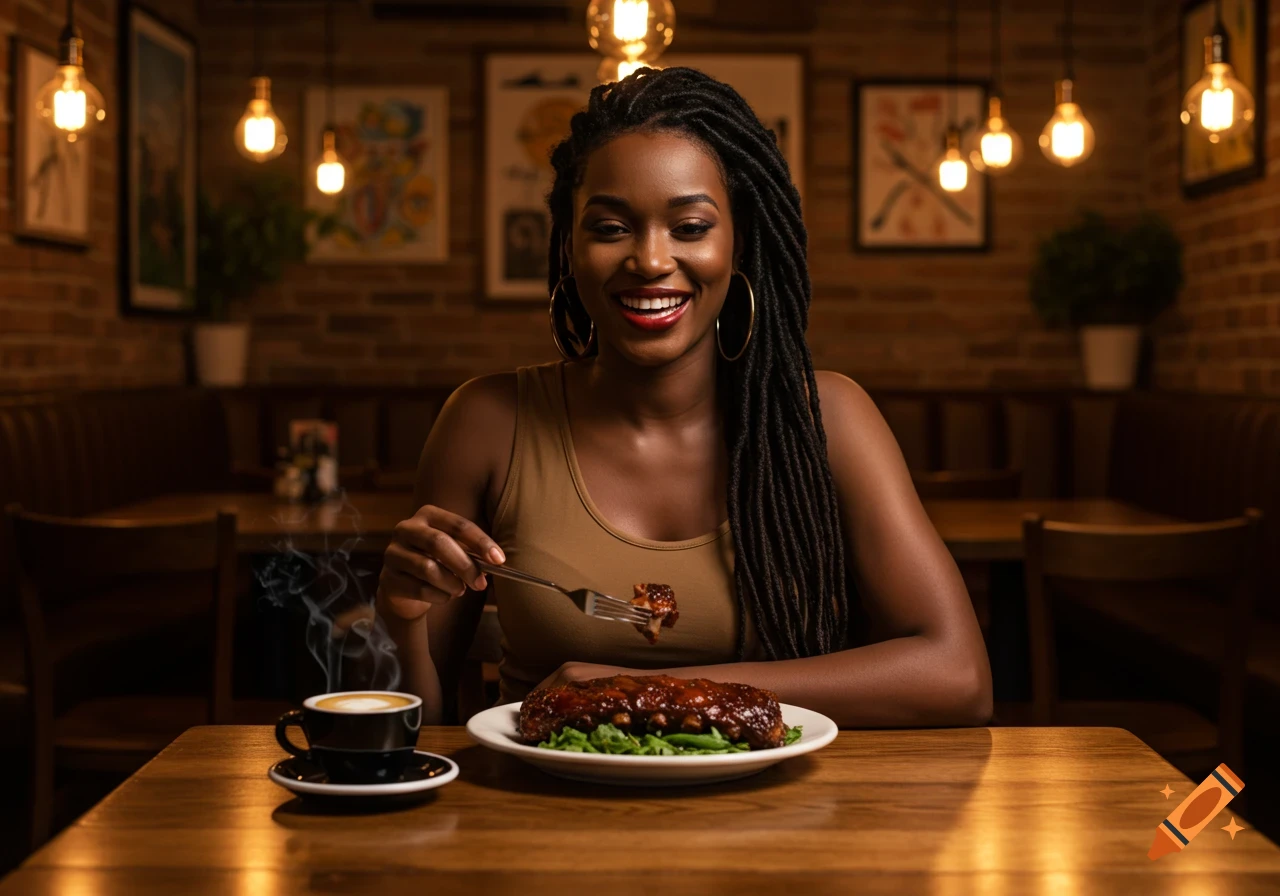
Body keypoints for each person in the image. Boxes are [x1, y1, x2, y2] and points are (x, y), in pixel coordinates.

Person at [377, 68, 991, 728]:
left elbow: (957, 677)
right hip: (543, 815)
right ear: (568, 248)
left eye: (690, 227)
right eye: (610, 227)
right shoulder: (488, 422)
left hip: (786, 820)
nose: (649, 259)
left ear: (738, 245)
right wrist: (401, 617)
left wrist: (645, 689)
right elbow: (416, 725)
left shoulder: (828, 420)